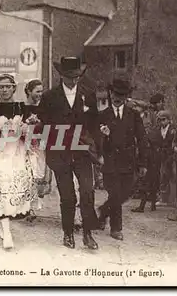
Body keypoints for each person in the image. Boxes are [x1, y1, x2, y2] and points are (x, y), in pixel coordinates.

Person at [37, 56, 101, 250]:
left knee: (88, 191)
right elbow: (44, 123)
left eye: (77, 76)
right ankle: (68, 233)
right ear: (61, 75)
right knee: (67, 196)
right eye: (69, 77)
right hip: (60, 152)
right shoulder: (49, 96)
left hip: (82, 152)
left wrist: (97, 150)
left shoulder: (88, 94)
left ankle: (88, 234)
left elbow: (94, 124)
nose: (73, 81)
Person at [0, 72, 36, 250]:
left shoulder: (21, 107)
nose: (4, 90)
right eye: (1, 87)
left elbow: (30, 133)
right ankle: (6, 230)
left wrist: (28, 127)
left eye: (8, 86)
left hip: (16, 152)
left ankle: (4, 224)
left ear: (13, 88)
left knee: (13, 189)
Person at [98, 78, 147, 241]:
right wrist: (103, 138)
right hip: (110, 162)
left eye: (121, 94)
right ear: (110, 93)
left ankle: (103, 212)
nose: (117, 97)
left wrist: (142, 163)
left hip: (128, 162)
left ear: (126, 96)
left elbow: (142, 139)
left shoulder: (133, 115)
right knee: (115, 193)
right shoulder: (102, 116)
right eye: (115, 93)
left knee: (126, 193)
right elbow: (97, 142)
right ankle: (116, 228)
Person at [132, 110, 175, 212]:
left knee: (167, 178)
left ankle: (168, 200)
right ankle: (146, 204)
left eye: (164, 120)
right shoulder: (156, 129)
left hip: (169, 157)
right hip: (155, 157)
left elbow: (173, 143)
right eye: (159, 120)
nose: (161, 122)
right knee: (150, 179)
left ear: (169, 120)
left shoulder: (173, 130)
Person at [23, 78, 52, 222]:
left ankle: (37, 201)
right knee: (29, 173)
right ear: (29, 91)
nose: (40, 94)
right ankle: (30, 208)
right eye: (37, 91)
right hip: (27, 145)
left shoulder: (45, 108)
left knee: (41, 173)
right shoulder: (23, 108)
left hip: (41, 143)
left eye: (42, 91)